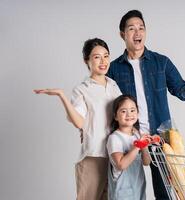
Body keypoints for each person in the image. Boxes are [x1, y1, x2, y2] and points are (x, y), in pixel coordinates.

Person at [107, 10, 185, 199]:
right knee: (127, 192)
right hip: (129, 139)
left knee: (166, 194)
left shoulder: (161, 62)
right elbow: (106, 103)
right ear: (122, 34)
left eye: (141, 28)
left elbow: (183, 92)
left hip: (161, 140)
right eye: (132, 29)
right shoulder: (114, 68)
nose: (137, 33)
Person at [34, 38, 121, 200]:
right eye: (96, 57)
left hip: (115, 155)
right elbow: (79, 122)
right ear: (86, 61)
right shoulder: (82, 90)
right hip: (94, 156)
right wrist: (62, 96)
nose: (103, 61)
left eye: (106, 56)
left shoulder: (114, 86)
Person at [106, 94, 151, 200]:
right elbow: (121, 165)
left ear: (137, 113)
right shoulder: (115, 138)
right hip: (123, 192)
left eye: (132, 110)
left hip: (138, 187)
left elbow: (146, 162)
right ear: (115, 116)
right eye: (123, 111)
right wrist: (137, 146)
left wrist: (144, 144)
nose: (129, 114)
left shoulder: (136, 134)